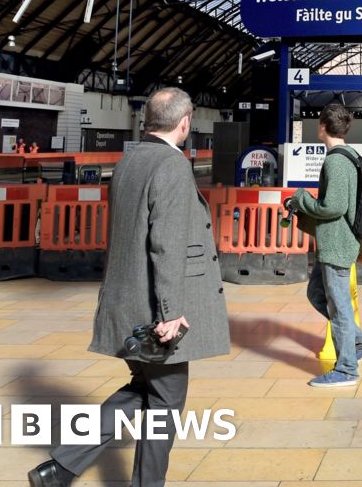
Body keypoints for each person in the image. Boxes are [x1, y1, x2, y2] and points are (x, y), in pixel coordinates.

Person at [28, 87, 230, 487]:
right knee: (167, 402)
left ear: (147, 120)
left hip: (124, 299)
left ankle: (61, 467)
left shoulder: (129, 161)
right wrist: (171, 311)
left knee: (146, 388)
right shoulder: (170, 166)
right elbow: (165, 242)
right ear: (185, 123)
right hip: (152, 308)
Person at [289, 102, 362, 388]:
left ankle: (347, 367)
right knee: (316, 293)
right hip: (335, 242)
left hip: (337, 242)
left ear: (321, 127)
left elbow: (333, 207)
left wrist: (301, 199)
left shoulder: (336, 161)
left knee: (339, 307)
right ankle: (359, 342)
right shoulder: (349, 155)